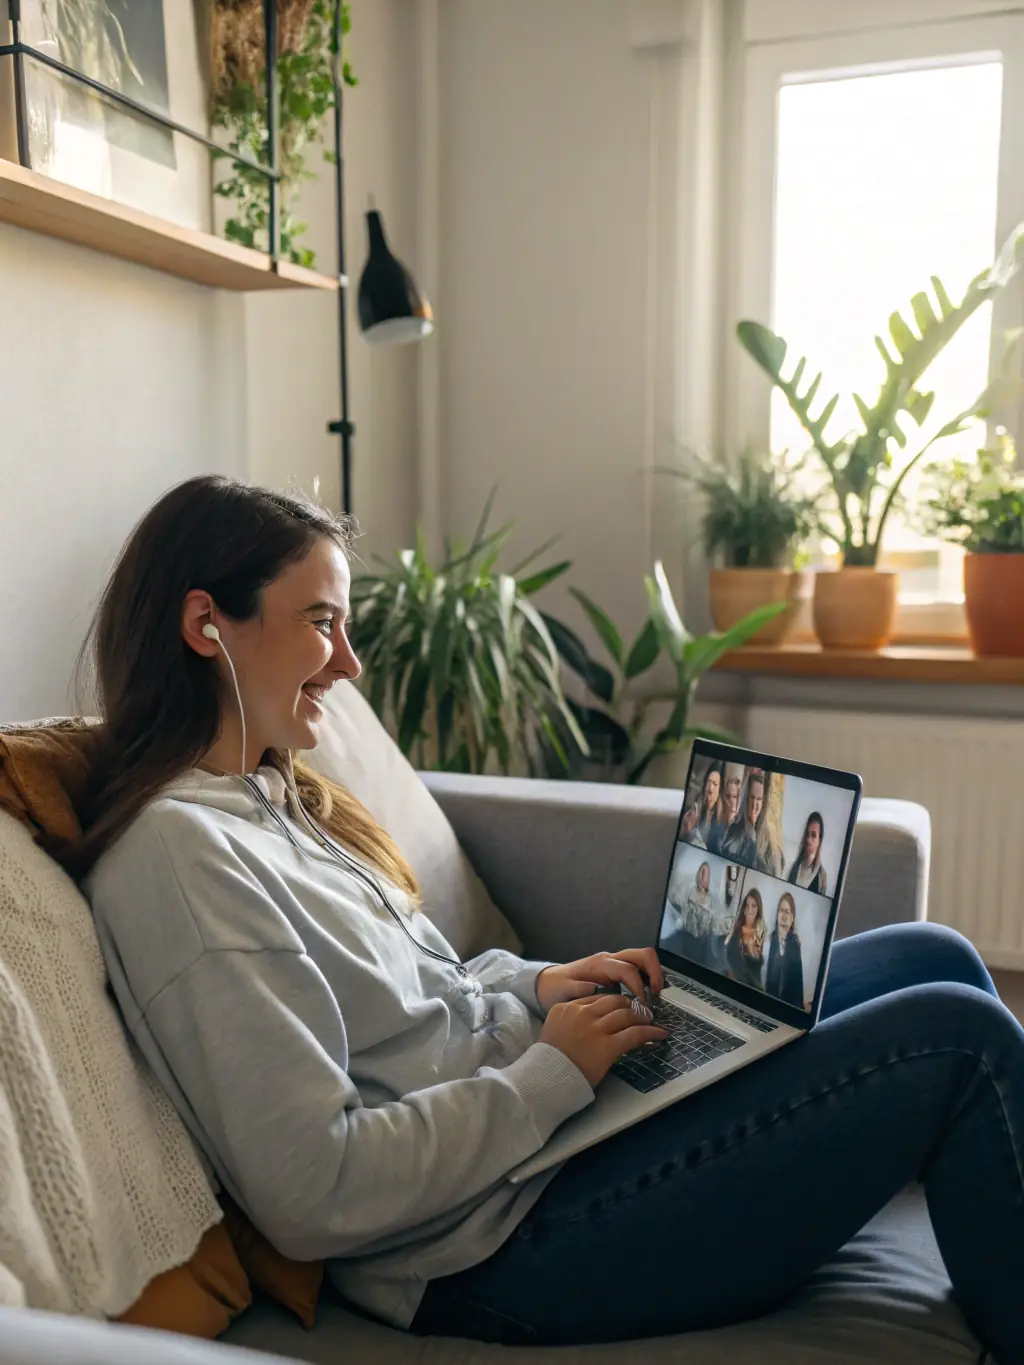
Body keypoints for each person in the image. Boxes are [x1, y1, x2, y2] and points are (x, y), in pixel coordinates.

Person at [77, 477, 1024, 1362]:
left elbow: (417, 996)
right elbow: (313, 1188)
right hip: (491, 1242)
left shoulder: (272, 797)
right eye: (323, 622)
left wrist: (541, 986)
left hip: (540, 1143)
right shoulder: (181, 859)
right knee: (957, 1038)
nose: (351, 664)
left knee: (929, 955)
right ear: (206, 623)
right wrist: (553, 1074)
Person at [664, 860, 714, 963]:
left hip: (703, 940)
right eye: (703, 873)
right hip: (687, 935)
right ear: (699, 874)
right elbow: (678, 902)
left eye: (707, 875)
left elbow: (709, 922)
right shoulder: (690, 892)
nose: (705, 878)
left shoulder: (711, 898)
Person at [764, 892, 805, 1009]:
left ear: (792, 917)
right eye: (781, 911)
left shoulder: (795, 945)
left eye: (788, 912)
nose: (784, 916)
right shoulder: (770, 940)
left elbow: (798, 985)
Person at [717, 771, 765, 867]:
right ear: (746, 798)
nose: (754, 804)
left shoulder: (764, 842)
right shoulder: (734, 828)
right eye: (752, 797)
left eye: (759, 799)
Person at [725, 889, 766, 990]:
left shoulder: (761, 932)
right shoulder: (737, 930)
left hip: (754, 987)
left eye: (754, 905)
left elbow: (758, 965)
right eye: (747, 905)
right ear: (744, 909)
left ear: (759, 908)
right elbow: (731, 959)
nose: (750, 909)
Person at [679, 763, 722, 849]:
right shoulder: (694, 810)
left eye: (715, 784)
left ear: (720, 790)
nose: (710, 789)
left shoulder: (719, 824)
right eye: (708, 782)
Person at [788, 812, 828, 895]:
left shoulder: (822, 877)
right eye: (807, 834)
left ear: (819, 840)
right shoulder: (795, 867)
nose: (809, 839)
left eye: (813, 835)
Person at [706, 770, 741, 856]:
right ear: (722, 798)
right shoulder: (713, 823)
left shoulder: (739, 831)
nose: (731, 801)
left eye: (734, 797)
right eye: (728, 796)